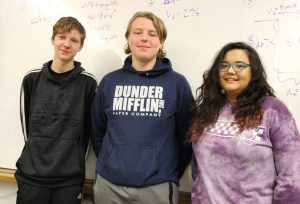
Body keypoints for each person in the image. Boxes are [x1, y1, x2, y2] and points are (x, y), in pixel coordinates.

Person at [91, 11, 194, 204]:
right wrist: (110, 161)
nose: (144, 38)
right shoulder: (109, 82)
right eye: (137, 32)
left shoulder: (177, 84)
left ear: (161, 42)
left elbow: (186, 137)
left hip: (158, 186)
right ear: (128, 38)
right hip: (109, 186)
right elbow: (97, 131)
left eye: (152, 34)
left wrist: (167, 172)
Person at [188, 42, 300, 204]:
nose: (230, 70)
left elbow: (292, 175)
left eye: (240, 65)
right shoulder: (208, 110)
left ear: (253, 72)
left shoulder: (273, 110)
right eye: (224, 65)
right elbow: (198, 169)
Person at [15, 16, 97, 204]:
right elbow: (27, 130)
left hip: (68, 180)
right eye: (62, 37)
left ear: (80, 46)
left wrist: (73, 162)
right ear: (53, 39)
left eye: (74, 40)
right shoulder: (31, 79)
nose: (67, 44)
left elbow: (89, 132)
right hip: (31, 176)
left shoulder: (89, 83)